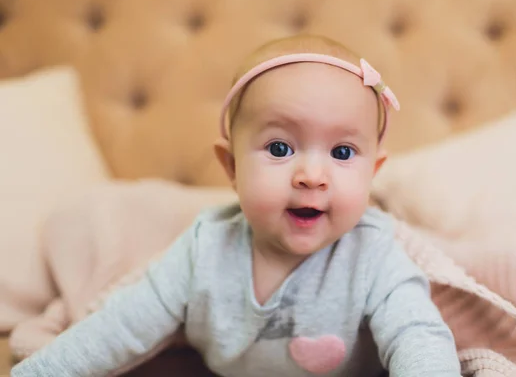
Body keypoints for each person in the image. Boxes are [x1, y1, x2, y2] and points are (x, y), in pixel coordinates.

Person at [11, 35, 461, 376]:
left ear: (372, 173)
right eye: (280, 148)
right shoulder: (205, 249)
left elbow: (417, 334)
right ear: (230, 165)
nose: (311, 175)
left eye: (342, 153)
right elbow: (121, 328)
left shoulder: (373, 255)